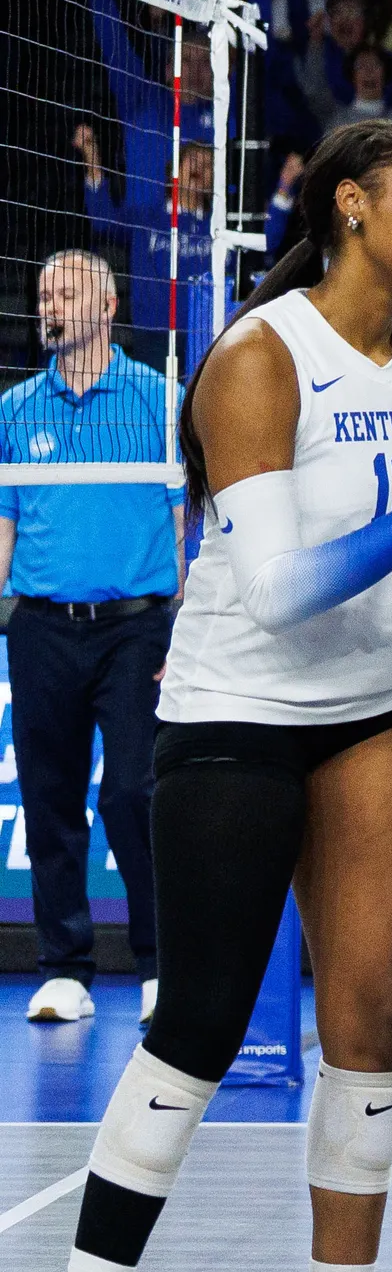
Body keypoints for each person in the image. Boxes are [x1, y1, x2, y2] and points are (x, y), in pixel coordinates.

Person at [3, 120, 392, 1272]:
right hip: (235, 710)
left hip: (374, 715)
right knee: (196, 1024)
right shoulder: (257, 357)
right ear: (351, 206)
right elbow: (282, 589)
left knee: (374, 1028)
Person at [4, 251, 181, 1027]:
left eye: (66, 291)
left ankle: (157, 965)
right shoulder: (16, 407)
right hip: (41, 626)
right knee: (49, 797)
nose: (50, 304)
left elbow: (186, 526)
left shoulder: (157, 399)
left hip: (137, 628)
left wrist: (191, 626)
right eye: (43, 292)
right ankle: (65, 969)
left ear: (106, 306)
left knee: (135, 793)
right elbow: (4, 528)